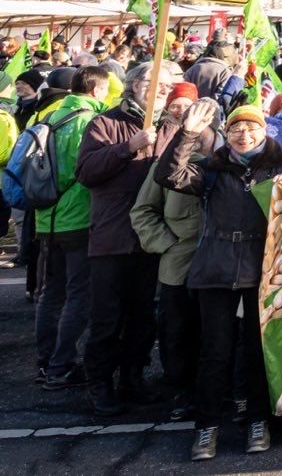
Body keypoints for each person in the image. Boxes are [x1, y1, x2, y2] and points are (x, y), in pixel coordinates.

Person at [156, 100, 282, 461]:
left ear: (265, 131)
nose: (244, 134)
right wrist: (187, 134)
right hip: (216, 270)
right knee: (215, 352)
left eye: (252, 128)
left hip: (263, 272)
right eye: (235, 129)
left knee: (257, 353)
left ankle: (257, 422)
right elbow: (167, 175)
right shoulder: (212, 169)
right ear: (226, 134)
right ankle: (207, 427)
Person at [74, 58, 184, 416]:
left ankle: (133, 379)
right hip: (113, 236)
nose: (163, 90)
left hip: (151, 238)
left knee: (141, 317)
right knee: (107, 317)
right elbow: (86, 173)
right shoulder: (105, 123)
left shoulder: (170, 128)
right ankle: (100, 383)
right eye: (157, 83)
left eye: (168, 85)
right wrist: (127, 147)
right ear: (136, 84)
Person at [129, 81, 207, 422]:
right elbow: (142, 212)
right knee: (176, 333)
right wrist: (167, 244)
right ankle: (182, 391)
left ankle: (215, 390)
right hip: (178, 265)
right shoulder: (164, 169)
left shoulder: (223, 163)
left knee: (216, 334)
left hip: (220, 265)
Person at [34, 66, 111, 390]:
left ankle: (45, 360)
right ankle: (61, 365)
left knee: (51, 293)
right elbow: (88, 171)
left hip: (45, 216)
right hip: (77, 216)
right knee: (79, 294)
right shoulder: (89, 121)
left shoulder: (47, 117)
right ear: (96, 90)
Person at [183, 38, 242, 106]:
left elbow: (185, 90)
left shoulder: (192, 69)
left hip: (192, 108)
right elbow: (222, 93)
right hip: (213, 110)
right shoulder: (224, 71)